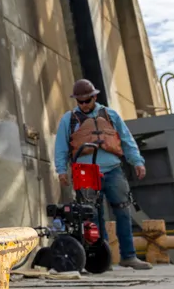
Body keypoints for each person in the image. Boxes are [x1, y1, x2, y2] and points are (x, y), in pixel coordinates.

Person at [53, 78, 152, 271]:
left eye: (87, 100)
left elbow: (126, 139)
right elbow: (61, 147)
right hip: (85, 171)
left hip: (113, 169)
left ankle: (129, 256)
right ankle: (103, 258)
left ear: (94, 97)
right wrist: (61, 170)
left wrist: (137, 161)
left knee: (123, 211)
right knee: (93, 216)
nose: (83, 105)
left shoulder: (111, 115)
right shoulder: (69, 119)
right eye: (79, 101)